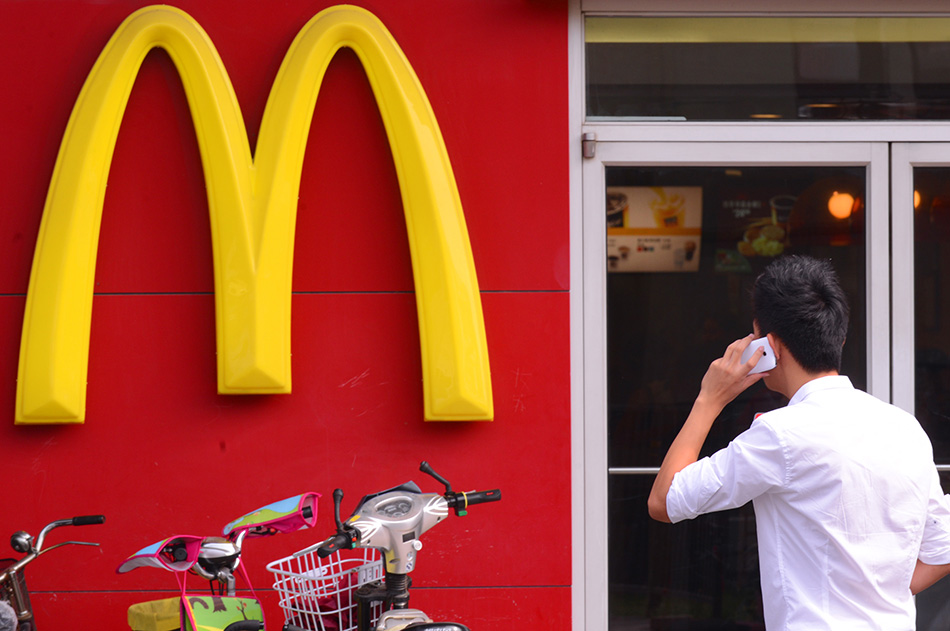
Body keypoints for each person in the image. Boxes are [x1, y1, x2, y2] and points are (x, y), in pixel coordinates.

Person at [647, 254, 950, 630]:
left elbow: (664, 500)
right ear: (839, 337)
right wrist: (873, 599)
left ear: (769, 344)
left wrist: (709, 399)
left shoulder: (781, 434)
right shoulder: (906, 428)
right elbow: (941, 551)